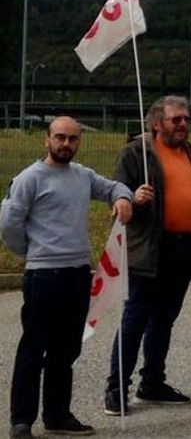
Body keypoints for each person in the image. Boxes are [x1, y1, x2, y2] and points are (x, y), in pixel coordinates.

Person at [1, 117, 135, 438]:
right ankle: (21, 420)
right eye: (60, 137)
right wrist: (34, 251)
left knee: (66, 350)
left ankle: (57, 415)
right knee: (34, 349)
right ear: (46, 140)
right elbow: (9, 224)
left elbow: (115, 186)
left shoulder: (82, 176)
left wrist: (122, 199)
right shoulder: (29, 179)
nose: (66, 144)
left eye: (73, 139)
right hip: (43, 276)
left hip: (77, 275)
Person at [104, 96, 191, 416]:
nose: (183, 124)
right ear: (157, 123)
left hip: (184, 250)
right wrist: (134, 197)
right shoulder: (136, 154)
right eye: (176, 120)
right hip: (149, 250)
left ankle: (153, 382)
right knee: (135, 320)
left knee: (163, 321)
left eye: (186, 118)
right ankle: (116, 388)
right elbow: (115, 198)